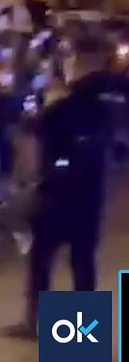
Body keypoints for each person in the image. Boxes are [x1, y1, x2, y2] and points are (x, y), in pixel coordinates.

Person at [15, 38, 122, 337]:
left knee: (42, 259)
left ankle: (35, 322)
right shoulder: (107, 105)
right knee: (83, 261)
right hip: (90, 195)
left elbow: (36, 128)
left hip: (56, 193)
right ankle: (83, 333)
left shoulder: (64, 105)